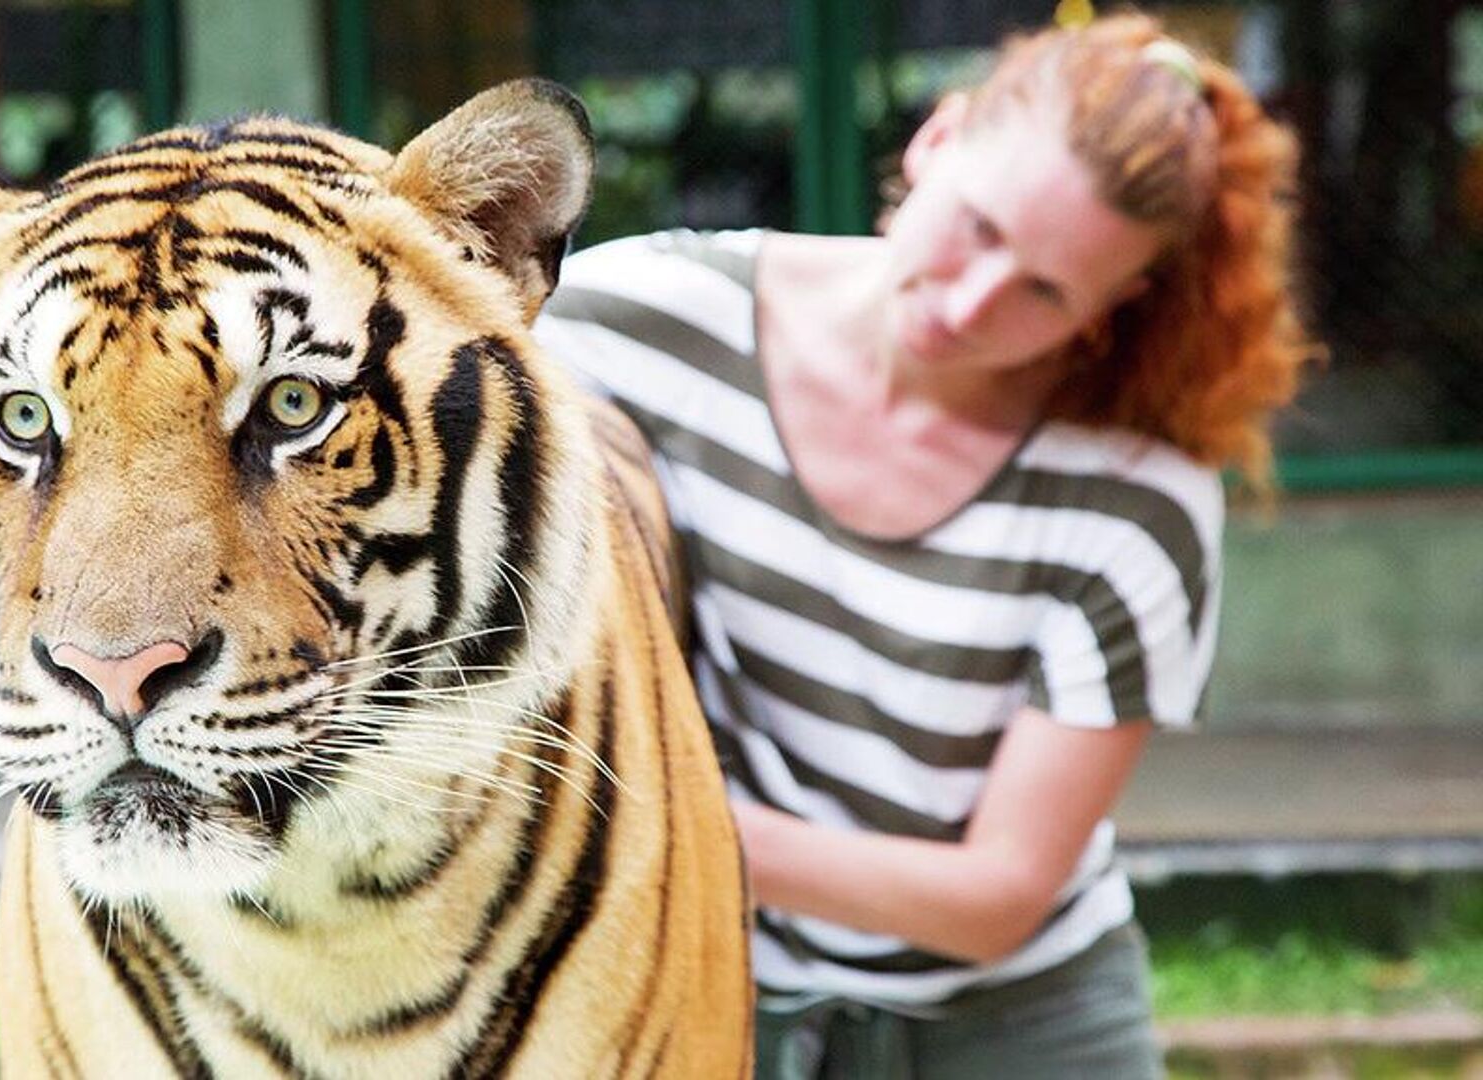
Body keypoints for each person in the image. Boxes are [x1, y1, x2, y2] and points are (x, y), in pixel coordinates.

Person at [533, 13, 1308, 1078]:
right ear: (936, 140)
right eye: (981, 228)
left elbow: (996, 899)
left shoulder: (1138, 497)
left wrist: (633, 814)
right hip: (727, 993)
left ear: (1111, 308)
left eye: (1045, 288)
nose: (973, 302)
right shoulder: (644, 321)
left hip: (1026, 1026)